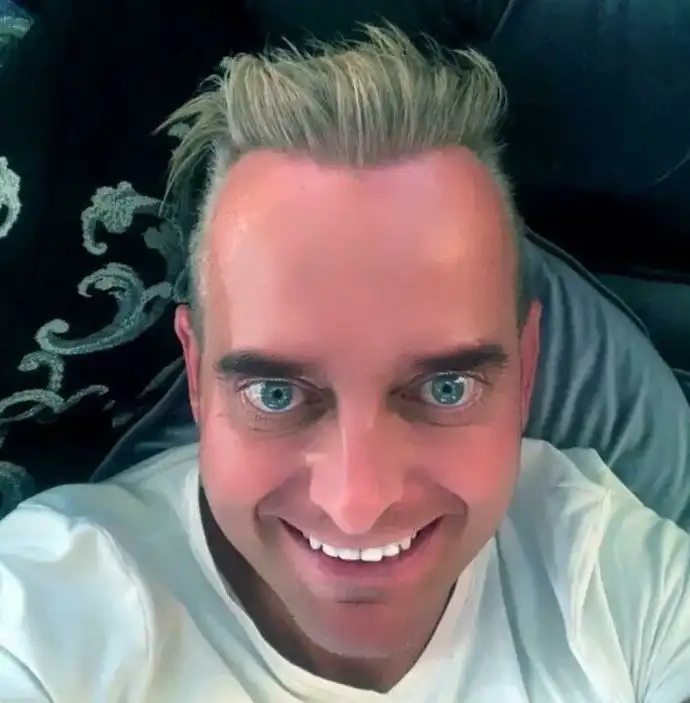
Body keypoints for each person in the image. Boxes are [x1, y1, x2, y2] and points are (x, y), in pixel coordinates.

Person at [0, 25, 688, 701]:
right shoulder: (49, 615)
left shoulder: (622, 587)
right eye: (275, 393)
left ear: (527, 370)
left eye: (447, 388)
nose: (357, 505)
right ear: (199, 378)